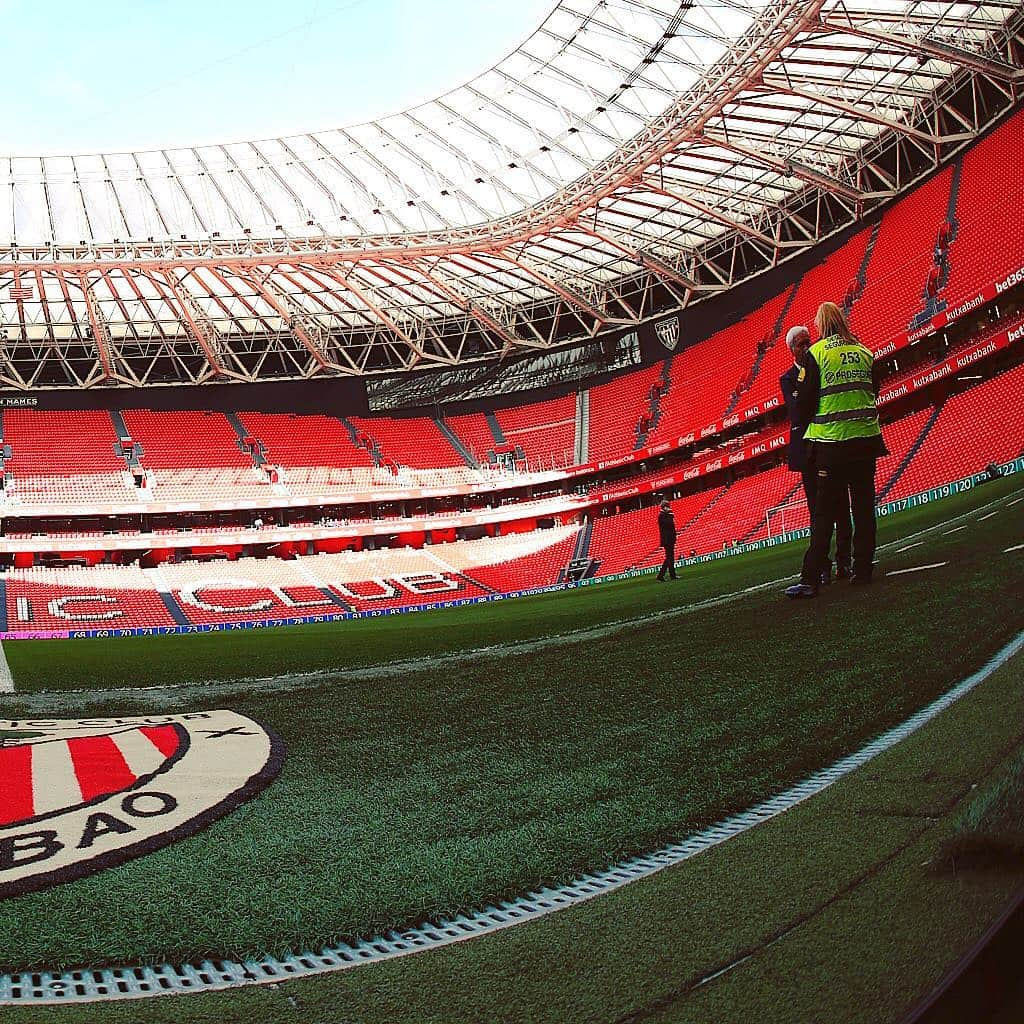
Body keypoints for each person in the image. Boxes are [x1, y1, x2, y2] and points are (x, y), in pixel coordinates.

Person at [785, 302, 886, 598]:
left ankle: (810, 578)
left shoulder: (817, 354)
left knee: (823, 514)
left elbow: (801, 407)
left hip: (831, 446)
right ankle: (863, 569)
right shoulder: (864, 352)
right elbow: (874, 389)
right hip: (866, 441)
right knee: (864, 509)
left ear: (820, 325)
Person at [780, 324, 852, 583]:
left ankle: (845, 561)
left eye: (808, 341)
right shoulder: (788, 378)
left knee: (842, 506)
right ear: (792, 350)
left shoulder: (822, 367)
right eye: (801, 344)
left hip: (831, 444)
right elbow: (797, 410)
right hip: (808, 453)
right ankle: (823, 565)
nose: (807, 347)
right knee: (817, 512)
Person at [657, 499, 678, 581]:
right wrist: (670, 514)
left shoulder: (665, 515)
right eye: (667, 507)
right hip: (667, 540)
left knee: (669, 558)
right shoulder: (662, 516)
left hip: (670, 539)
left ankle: (661, 575)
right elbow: (668, 524)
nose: (669, 508)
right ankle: (671, 575)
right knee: (670, 558)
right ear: (664, 507)